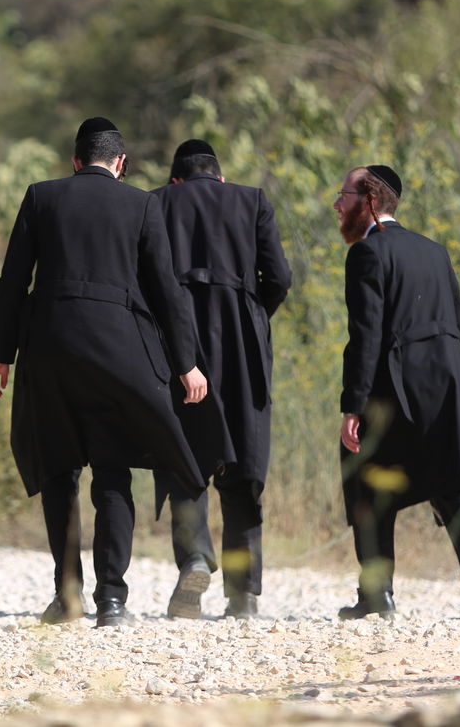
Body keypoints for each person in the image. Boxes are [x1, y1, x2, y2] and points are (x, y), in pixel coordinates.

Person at [0, 117, 209, 628]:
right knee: (112, 471)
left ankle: (67, 598)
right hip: (118, 352)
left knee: (58, 471)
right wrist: (186, 364)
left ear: (75, 161)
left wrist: (1, 354)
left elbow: (12, 281)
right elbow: (167, 291)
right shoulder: (142, 203)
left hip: (49, 349)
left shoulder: (41, 196)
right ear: (121, 164)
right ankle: (112, 601)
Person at [333, 164, 460, 621]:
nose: (337, 205)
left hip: (398, 385)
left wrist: (354, 405)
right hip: (450, 383)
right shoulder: (435, 251)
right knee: (455, 483)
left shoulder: (367, 254)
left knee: (365, 478)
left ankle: (376, 596)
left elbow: (365, 336)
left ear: (369, 198)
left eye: (344, 195)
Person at [151, 140, 291, 620]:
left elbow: (144, 277)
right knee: (245, 467)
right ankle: (243, 593)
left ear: (176, 181)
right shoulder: (252, 200)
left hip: (180, 346)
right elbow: (279, 277)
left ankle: (194, 557)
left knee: (184, 460)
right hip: (242, 346)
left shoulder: (157, 202)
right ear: (220, 177)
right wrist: (252, 313)